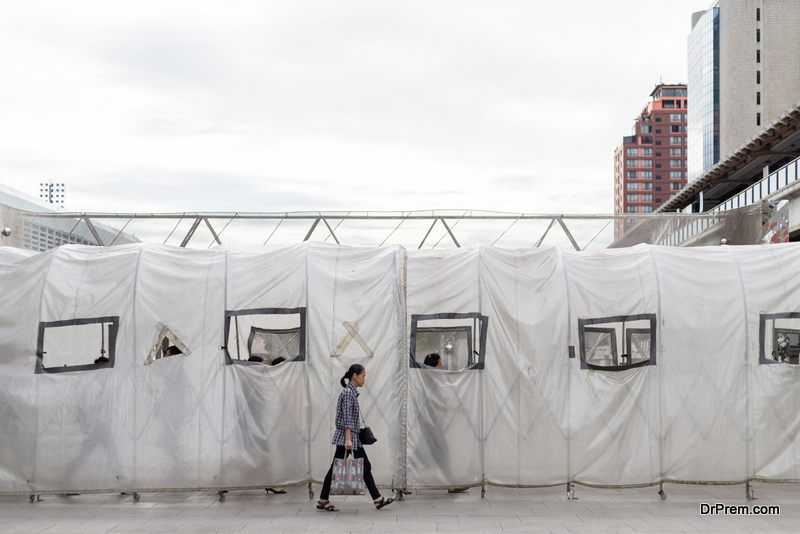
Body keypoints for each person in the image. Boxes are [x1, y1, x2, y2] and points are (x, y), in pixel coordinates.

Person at [317, 364, 394, 512]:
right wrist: (348, 439)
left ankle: (377, 499)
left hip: (351, 437)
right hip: (348, 438)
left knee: (362, 466)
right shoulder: (348, 393)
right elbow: (346, 418)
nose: (364, 379)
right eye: (363, 375)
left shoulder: (351, 392)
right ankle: (323, 500)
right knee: (338, 468)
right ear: (355, 376)